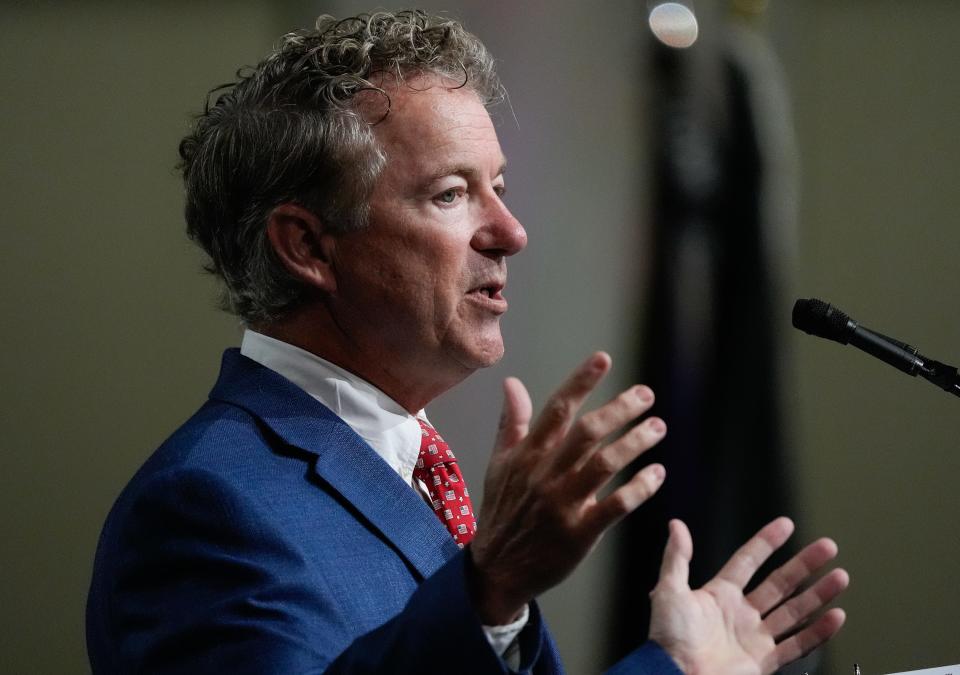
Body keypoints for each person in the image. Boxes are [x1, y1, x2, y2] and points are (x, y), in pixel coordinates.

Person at [86, 10, 848, 674]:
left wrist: (672, 666)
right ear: (309, 247)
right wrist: (490, 585)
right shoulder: (206, 505)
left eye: (501, 188)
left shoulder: (412, 467)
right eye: (450, 193)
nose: (511, 233)